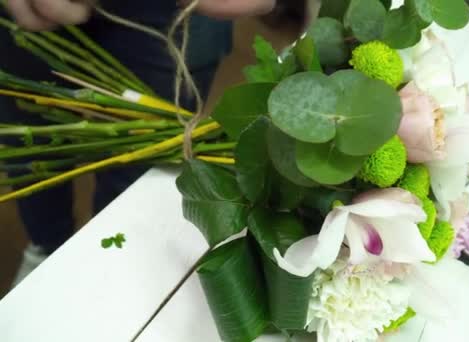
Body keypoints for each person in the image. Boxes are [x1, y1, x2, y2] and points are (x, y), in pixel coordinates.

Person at [1, 0, 276, 285]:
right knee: (29, 133)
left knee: (137, 176)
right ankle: (46, 248)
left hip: (174, 17)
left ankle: (106, 264)